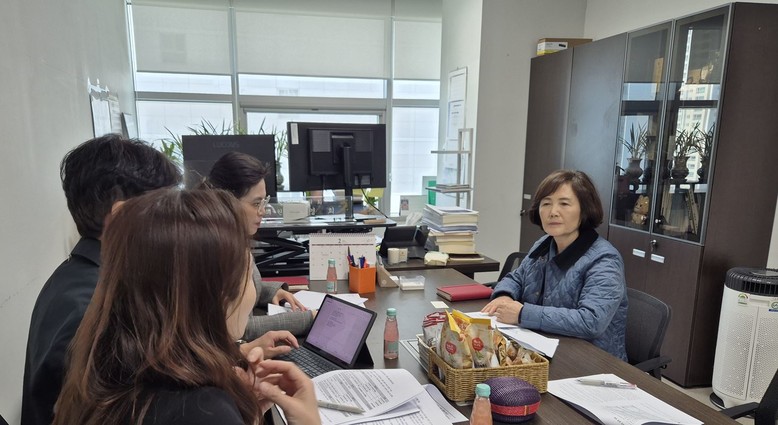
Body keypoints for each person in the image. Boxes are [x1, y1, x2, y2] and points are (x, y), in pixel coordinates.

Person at [52, 189, 320, 425]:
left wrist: (244, 415)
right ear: (213, 294)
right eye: (247, 275)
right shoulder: (201, 410)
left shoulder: (103, 371)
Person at [22, 135, 182, 425]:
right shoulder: (96, 308)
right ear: (121, 215)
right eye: (164, 211)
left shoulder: (75, 276)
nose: (174, 226)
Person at [482, 169, 628, 360]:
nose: (553, 212)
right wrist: (504, 296)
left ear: (585, 210)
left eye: (564, 204)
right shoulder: (544, 244)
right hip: (542, 346)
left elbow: (591, 321)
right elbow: (517, 278)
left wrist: (523, 314)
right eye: (546, 203)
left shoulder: (604, 259)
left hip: (592, 360)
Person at [204, 151, 315, 339]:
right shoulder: (214, 249)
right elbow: (239, 328)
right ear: (228, 202)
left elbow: (243, 290)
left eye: (264, 202)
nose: (263, 211)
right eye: (256, 203)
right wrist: (309, 319)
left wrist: (272, 291)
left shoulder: (234, 237)